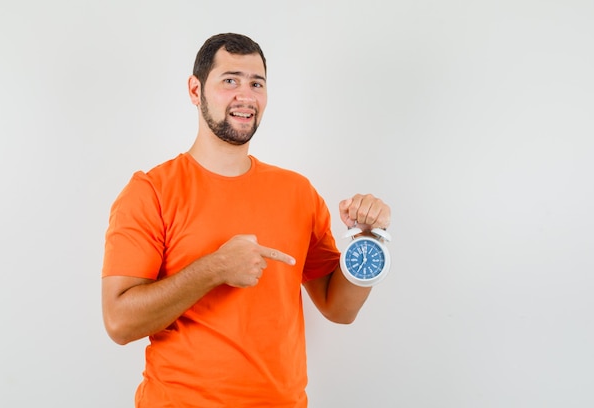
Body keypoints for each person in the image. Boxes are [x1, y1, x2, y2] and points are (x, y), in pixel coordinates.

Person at [101, 32, 392, 408]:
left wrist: (367, 244)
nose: (246, 95)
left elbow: (340, 309)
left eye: (257, 83)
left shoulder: (297, 192)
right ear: (195, 90)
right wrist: (213, 269)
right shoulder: (150, 192)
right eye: (230, 81)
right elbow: (119, 323)